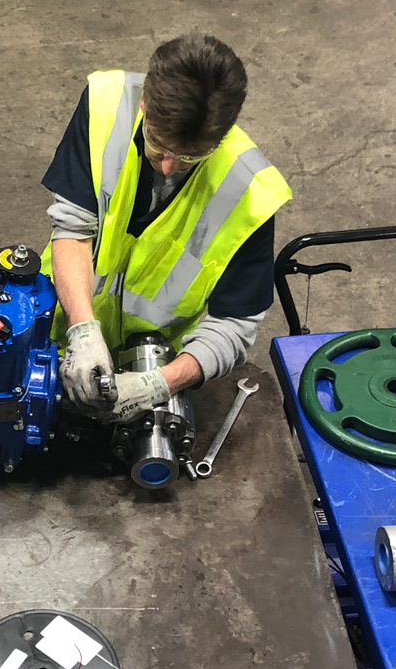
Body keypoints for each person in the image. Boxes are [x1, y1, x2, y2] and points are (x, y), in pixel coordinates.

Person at [40, 34, 291, 422]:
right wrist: (83, 331)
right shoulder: (106, 105)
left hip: (158, 360)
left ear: (223, 135)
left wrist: (160, 384)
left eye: (191, 157)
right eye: (158, 145)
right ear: (144, 103)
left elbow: (234, 325)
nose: (170, 167)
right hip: (61, 325)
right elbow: (73, 228)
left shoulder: (250, 193)